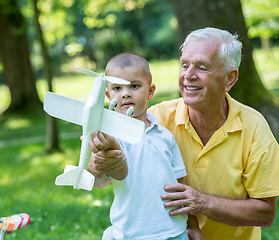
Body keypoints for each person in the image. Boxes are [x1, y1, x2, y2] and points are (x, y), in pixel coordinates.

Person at [88, 27, 279, 240]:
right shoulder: (153, 120)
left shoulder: (253, 128)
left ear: (229, 79)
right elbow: (105, 178)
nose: (188, 76)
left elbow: (265, 213)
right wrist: (97, 165)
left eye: (202, 67)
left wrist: (202, 202)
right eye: (184, 65)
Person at [88, 52, 203, 240]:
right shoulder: (109, 137)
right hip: (131, 233)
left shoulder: (165, 136)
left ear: (150, 91)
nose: (125, 93)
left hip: (174, 231)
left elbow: (181, 186)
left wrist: (194, 227)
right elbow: (98, 176)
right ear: (108, 95)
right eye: (117, 88)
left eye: (134, 86)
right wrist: (95, 163)